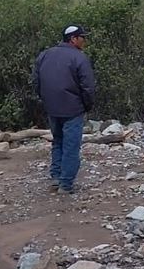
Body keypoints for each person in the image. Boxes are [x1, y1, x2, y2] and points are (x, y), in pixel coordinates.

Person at [32, 24, 96, 195]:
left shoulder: (45, 55)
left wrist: (45, 100)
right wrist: (87, 105)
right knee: (71, 146)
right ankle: (66, 184)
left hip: (52, 108)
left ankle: (56, 177)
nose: (85, 41)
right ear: (74, 39)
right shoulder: (79, 58)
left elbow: (36, 82)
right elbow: (88, 86)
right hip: (73, 109)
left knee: (58, 141)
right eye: (83, 37)